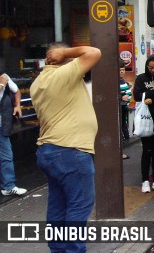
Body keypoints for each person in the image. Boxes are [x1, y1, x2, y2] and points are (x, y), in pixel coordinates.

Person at [30, 42, 101, 253]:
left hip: (50, 150)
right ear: (65, 59)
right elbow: (94, 52)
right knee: (78, 206)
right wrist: (64, 53)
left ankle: (58, 249)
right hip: (71, 150)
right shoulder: (62, 76)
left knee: (58, 207)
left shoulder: (38, 82)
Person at [133, 55, 154, 193]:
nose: (153, 70)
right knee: (147, 150)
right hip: (146, 119)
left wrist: (152, 99)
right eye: (150, 67)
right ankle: (145, 180)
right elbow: (137, 96)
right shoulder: (141, 78)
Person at [0, 73, 26, 196]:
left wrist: (17, 105)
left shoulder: (4, 76)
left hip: (2, 125)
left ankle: (8, 186)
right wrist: (1, 84)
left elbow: (16, 91)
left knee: (6, 156)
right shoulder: (3, 80)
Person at [119, 60, 132, 159]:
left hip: (124, 107)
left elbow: (128, 92)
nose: (122, 72)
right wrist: (122, 97)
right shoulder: (115, 81)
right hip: (119, 108)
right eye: (119, 70)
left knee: (123, 125)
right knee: (120, 128)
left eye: (123, 70)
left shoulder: (123, 80)